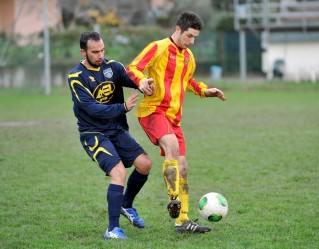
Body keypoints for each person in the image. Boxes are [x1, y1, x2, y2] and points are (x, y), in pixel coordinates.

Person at [126, 11, 226, 233]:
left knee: (183, 167)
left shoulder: (189, 56)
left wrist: (205, 91)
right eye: (189, 36)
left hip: (173, 117)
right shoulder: (158, 47)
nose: (192, 42)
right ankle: (173, 198)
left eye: (195, 38)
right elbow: (132, 68)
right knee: (171, 144)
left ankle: (182, 221)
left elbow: (187, 80)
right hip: (153, 111)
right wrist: (142, 82)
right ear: (178, 29)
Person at [67, 31, 154, 239]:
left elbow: (132, 79)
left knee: (145, 164)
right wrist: (123, 107)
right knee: (118, 173)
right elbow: (92, 108)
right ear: (83, 52)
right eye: (95, 52)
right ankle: (112, 229)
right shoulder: (76, 77)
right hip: (93, 133)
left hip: (115, 129)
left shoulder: (113, 66)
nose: (100, 55)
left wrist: (144, 84)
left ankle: (126, 205)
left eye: (102, 50)